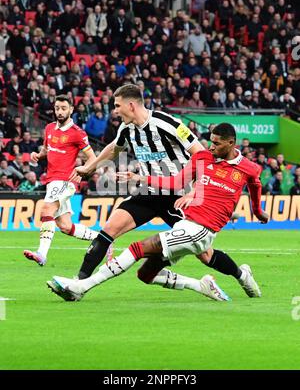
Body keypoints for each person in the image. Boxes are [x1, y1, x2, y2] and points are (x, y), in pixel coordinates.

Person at [47, 123, 268, 302]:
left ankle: (81, 286)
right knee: (145, 274)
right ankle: (210, 283)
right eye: (211, 141)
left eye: (217, 144)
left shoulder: (248, 168)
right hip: (186, 224)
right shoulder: (202, 158)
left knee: (137, 248)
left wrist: (258, 212)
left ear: (231, 143)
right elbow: (176, 182)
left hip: (203, 229)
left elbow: (256, 188)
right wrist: (140, 178)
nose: (211, 147)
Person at [65, 83, 205, 281]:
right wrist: (89, 168)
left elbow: (201, 154)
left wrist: (195, 190)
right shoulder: (126, 128)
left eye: (117, 106)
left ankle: (241, 275)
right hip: (148, 192)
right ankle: (78, 283)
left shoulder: (168, 123)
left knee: (204, 253)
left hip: (178, 195)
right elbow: (114, 148)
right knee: (108, 230)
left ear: (131, 105)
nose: (114, 111)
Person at [23, 95, 99, 266]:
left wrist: (84, 172)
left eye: (64, 108)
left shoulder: (77, 133)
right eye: (57, 108)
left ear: (71, 109)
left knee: (46, 210)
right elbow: (46, 150)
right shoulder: (49, 128)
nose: (60, 111)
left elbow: (93, 158)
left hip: (65, 180)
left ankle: (42, 254)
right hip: (52, 180)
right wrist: (38, 155)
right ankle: (102, 240)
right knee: (65, 226)